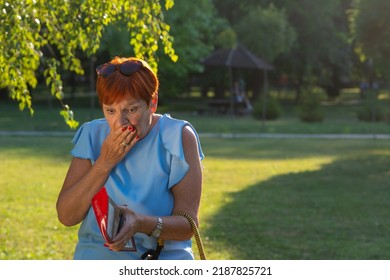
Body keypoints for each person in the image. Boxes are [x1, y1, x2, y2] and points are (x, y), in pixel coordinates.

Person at [56, 56, 204, 260]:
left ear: (152, 103)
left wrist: (142, 224)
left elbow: (188, 225)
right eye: (110, 110)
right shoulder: (92, 134)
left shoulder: (178, 137)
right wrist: (104, 162)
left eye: (131, 109)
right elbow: (66, 216)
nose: (120, 123)